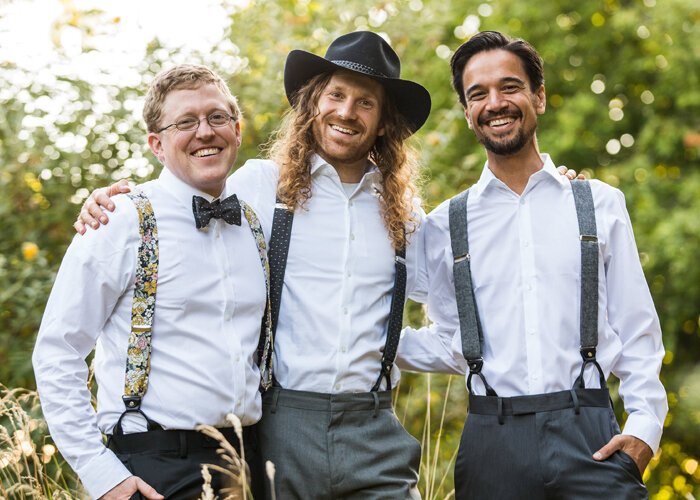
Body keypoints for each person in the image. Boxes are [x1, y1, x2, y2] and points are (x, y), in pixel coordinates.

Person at [74, 32, 581, 499]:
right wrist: (106, 200)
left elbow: (460, 325)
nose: (347, 111)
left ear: (384, 121)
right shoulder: (257, 188)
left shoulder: (406, 215)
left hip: (376, 433)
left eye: (366, 102)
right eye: (336, 95)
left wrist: (543, 194)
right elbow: (183, 193)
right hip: (278, 432)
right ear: (313, 102)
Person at [397, 31, 667, 499]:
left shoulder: (598, 204)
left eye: (510, 87)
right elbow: (449, 338)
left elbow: (637, 330)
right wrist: (372, 344)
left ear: (538, 96)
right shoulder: (443, 226)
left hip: (594, 442)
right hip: (491, 447)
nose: (494, 103)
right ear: (466, 112)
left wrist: (644, 429)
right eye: (477, 94)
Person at [33, 64, 269, 500]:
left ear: (237, 130)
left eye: (217, 117)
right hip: (155, 467)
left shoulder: (256, 218)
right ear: (157, 145)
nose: (205, 132)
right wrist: (101, 474)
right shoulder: (119, 220)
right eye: (185, 122)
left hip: (251, 464)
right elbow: (57, 349)